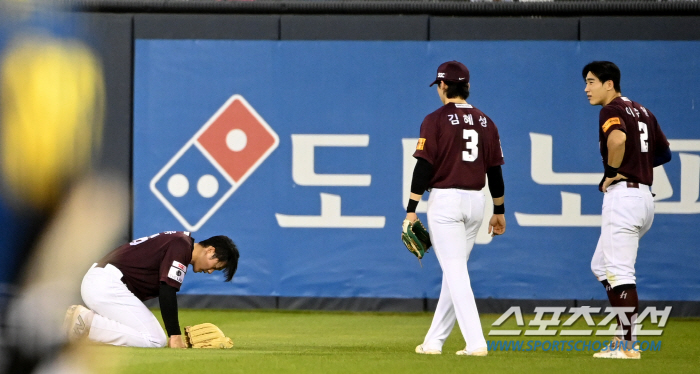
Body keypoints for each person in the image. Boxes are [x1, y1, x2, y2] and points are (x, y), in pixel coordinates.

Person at [407, 61, 506, 356]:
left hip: (446, 202)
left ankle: (476, 342)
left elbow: (424, 165)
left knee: (455, 272)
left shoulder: (435, 120)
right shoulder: (487, 121)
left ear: (442, 86)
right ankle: (434, 341)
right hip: (477, 202)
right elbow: (496, 172)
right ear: (468, 87)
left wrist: (411, 208)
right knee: (455, 272)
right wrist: (499, 210)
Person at [582, 61, 671, 359]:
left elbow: (617, 139)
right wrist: (636, 165)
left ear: (610, 84)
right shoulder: (643, 111)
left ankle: (627, 344)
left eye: (592, 81)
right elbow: (663, 152)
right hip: (644, 198)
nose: (586, 88)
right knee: (601, 266)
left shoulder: (612, 109)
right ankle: (623, 334)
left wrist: (612, 170)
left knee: (619, 272)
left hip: (624, 198)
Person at [63, 231, 239, 348]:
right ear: (210, 250)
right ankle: (87, 322)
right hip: (107, 284)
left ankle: (88, 322)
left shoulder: (180, 242)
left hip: (104, 282)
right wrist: (175, 335)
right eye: (214, 266)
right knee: (155, 339)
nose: (209, 271)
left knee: (145, 333)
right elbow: (167, 290)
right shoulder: (182, 245)